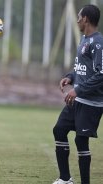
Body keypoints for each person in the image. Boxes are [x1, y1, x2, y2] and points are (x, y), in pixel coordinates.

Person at [52, 4, 103, 184]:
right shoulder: (84, 39)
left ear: (86, 19)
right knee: (59, 130)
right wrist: (70, 77)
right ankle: (65, 178)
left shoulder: (98, 42)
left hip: (90, 102)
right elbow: (83, 70)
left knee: (81, 141)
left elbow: (101, 74)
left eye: (80, 17)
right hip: (77, 98)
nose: (78, 20)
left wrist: (78, 89)